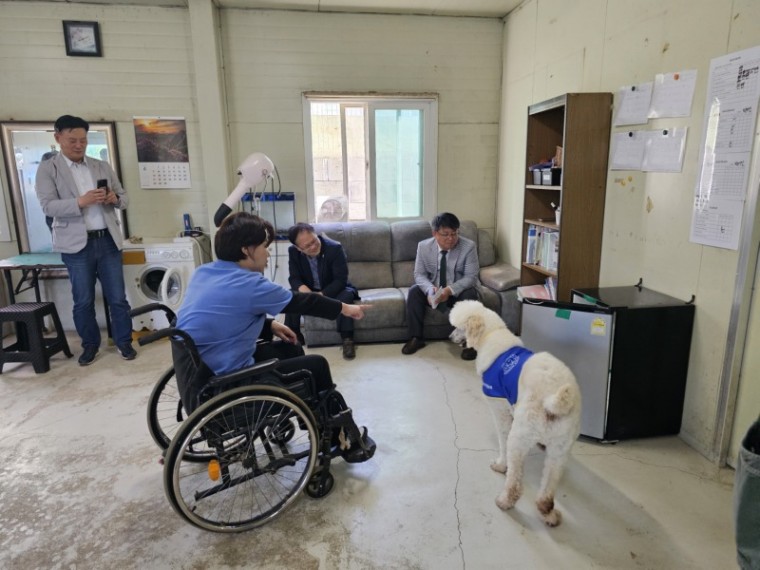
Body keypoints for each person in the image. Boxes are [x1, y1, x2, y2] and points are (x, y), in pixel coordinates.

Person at [175, 212, 375, 461]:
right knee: (317, 365)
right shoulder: (250, 284)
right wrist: (346, 308)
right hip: (228, 384)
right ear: (247, 250)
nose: (268, 253)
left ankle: (310, 420)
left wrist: (269, 325)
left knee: (291, 348)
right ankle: (339, 439)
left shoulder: (205, 273)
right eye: (264, 247)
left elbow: (223, 318)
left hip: (202, 377)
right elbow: (304, 301)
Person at [35, 115, 135, 366]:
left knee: (118, 298)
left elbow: (124, 198)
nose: (79, 145)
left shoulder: (101, 166)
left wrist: (113, 199)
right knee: (83, 300)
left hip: (108, 241)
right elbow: (48, 206)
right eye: (72, 140)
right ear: (58, 138)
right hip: (76, 246)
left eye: (83, 140)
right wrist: (81, 202)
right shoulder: (49, 169)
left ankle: (124, 342)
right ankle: (90, 345)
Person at [402, 212, 481, 360]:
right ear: (435, 233)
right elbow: (419, 274)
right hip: (434, 288)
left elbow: (471, 277)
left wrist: (449, 290)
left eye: (454, 233)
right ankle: (416, 338)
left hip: (458, 289)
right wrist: (429, 290)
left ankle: (469, 343)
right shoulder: (424, 246)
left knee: (470, 294)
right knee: (414, 291)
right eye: (445, 234)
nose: (451, 239)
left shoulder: (468, 246)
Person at [286, 222, 359, 359]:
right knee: (290, 296)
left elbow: (340, 280)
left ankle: (347, 339)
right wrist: (307, 293)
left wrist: (320, 296)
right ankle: (294, 336)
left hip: (334, 289)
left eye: (314, 240)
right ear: (298, 248)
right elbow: (294, 278)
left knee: (346, 297)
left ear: (316, 234)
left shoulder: (334, 248)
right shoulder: (293, 252)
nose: (313, 246)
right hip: (310, 289)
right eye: (307, 246)